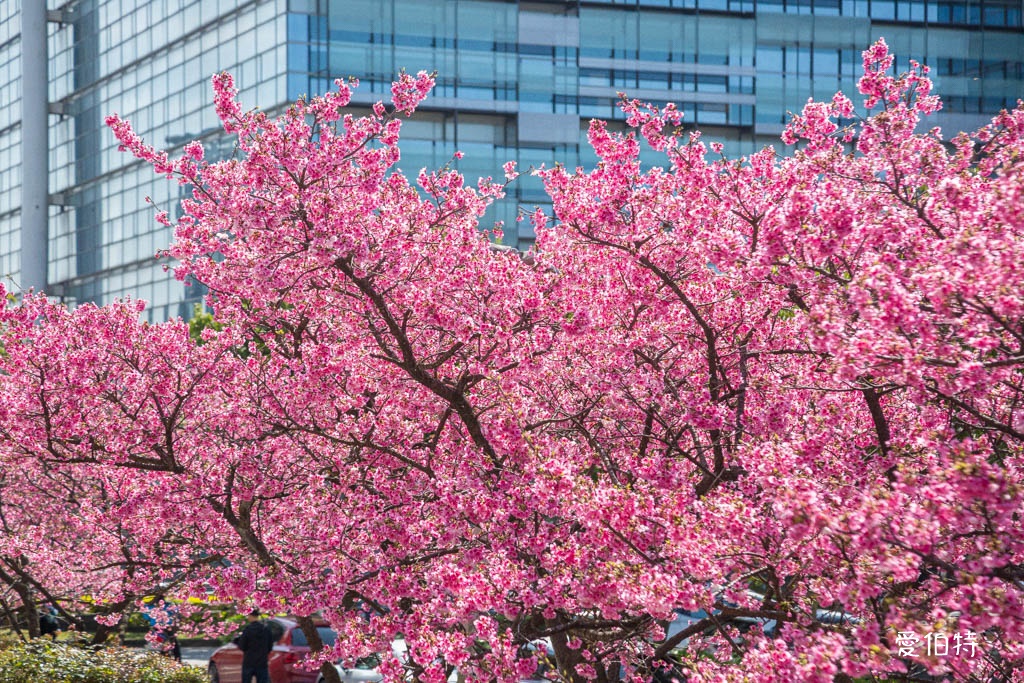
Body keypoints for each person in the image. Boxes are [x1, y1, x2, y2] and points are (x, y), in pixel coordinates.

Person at [236, 610, 275, 683]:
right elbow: (270, 646)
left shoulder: (247, 630)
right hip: (262, 662)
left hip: (248, 661)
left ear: (251, 616)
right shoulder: (266, 629)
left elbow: (242, 646)